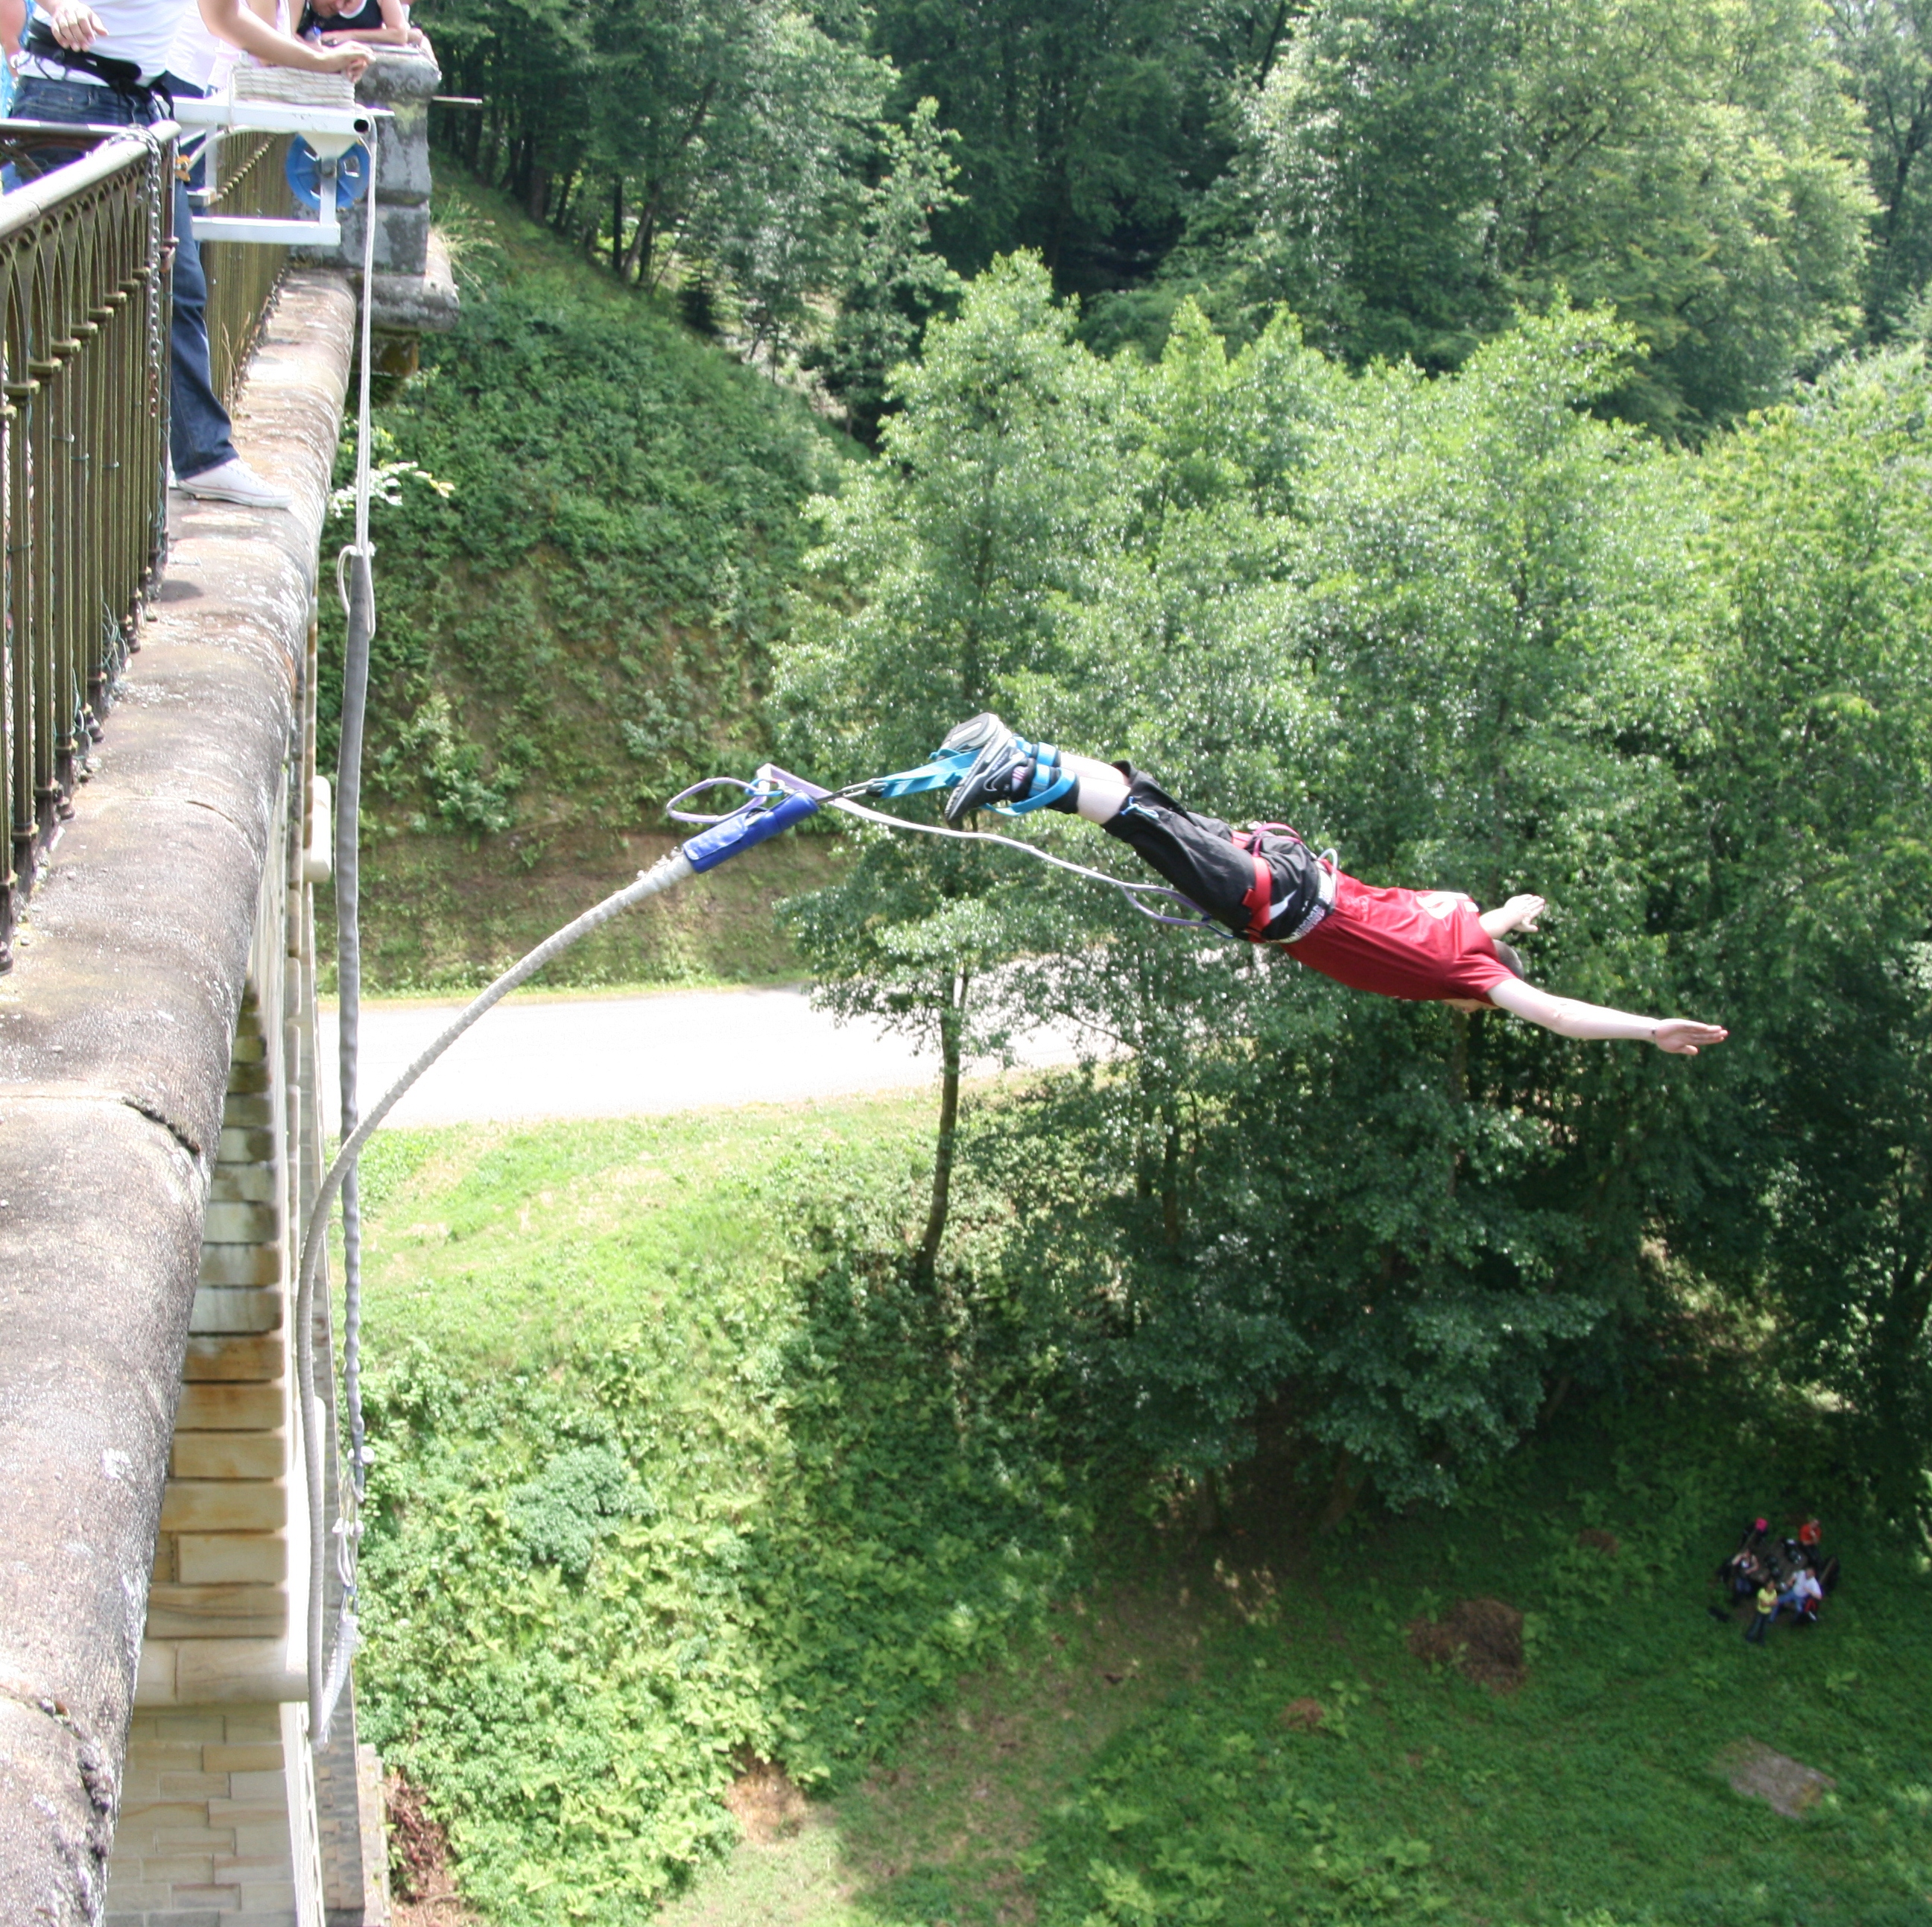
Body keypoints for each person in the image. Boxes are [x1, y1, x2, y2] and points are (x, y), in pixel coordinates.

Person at [940, 717, 1730, 1053]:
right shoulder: (1473, 974)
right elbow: (1555, 1014)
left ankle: (1013, 749)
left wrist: (1513, 915)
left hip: (1286, 860)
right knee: (1137, 823)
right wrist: (1647, 1027)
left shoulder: (1456, 923)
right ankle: (1012, 769)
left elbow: (1480, 919)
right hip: (1275, 901)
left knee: (1148, 803)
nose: (1467, 1011)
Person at [9, 0, 367, 506]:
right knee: (58, 298)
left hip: (142, 112)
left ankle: (204, 457)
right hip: (68, 97)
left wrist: (318, 60)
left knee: (176, 287)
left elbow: (227, 20)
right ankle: (46, 468)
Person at [1744, 1574, 1779, 1645]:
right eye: (1771, 1585)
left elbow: (1776, 1602)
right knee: (1756, 1625)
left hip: (1768, 1612)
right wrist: (1771, 1603)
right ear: (1767, 1585)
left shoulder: (1774, 1592)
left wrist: (1768, 1603)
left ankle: (1760, 1639)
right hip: (1760, 1612)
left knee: (1764, 1627)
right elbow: (1763, 1605)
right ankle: (1749, 1637)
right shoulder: (1762, 1592)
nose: (1772, 1586)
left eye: (1773, 1585)